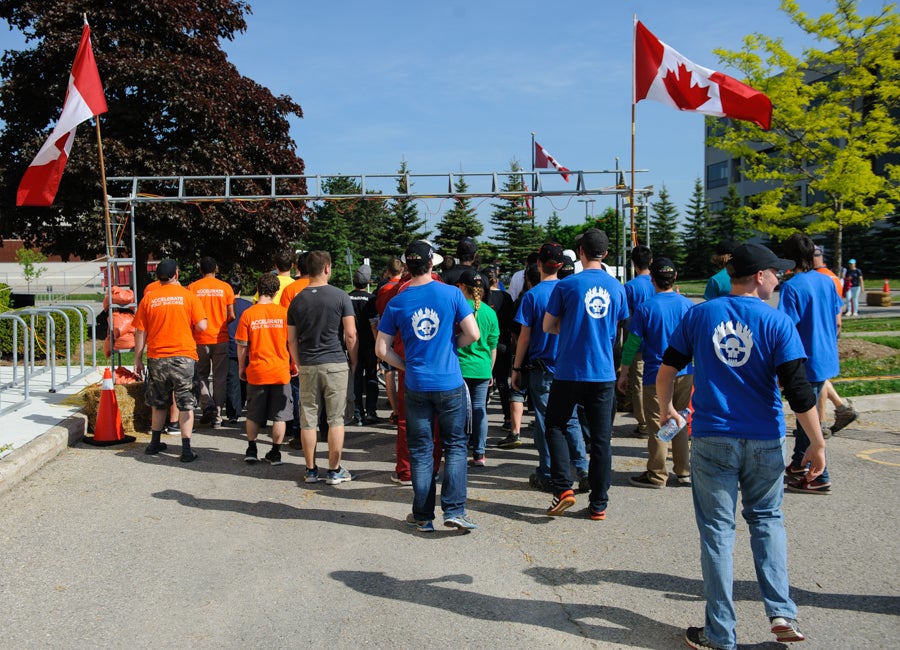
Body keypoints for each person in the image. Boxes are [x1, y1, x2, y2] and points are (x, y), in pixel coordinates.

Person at [656, 242, 826, 649]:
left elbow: (666, 369)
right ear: (759, 277)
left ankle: (720, 633)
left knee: (717, 532)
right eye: (775, 272)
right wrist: (817, 444)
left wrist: (667, 410)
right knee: (767, 521)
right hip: (765, 438)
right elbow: (799, 393)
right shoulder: (777, 322)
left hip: (713, 436)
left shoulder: (699, 314)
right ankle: (782, 612)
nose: (780, 278)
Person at [376, 240, 481, 532]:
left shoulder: (398, 300)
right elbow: (473, 333)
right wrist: (450, 346)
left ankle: (423, 516)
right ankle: (455, 510)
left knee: (421, 450)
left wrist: (406, 365)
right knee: (456, 446)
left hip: (416, 383)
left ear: (406, 267)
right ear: (431, 263)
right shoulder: (450, 294)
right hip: (449, 381)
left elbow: (381, 349)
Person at [542, 229, 628, 520]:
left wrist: (567, 329)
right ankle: (599, 503)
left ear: (580, 252)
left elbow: (547, 325)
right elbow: (619, 327)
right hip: (603, 371)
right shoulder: (617, 288)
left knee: (555, 424)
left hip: (569, 369)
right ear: (605, 254)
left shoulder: (567, 285)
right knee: (602, 440)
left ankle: (563, 487)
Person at [512, 243, 590, 493]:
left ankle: (548, 470)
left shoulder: (533, 295)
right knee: (572, 420)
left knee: (546, 422)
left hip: (542, 367)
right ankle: (583, 468)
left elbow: (524, 337)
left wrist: (516, 368)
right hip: (569, 366)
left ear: (538, 264)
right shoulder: (572, 290)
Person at [617, 257, 693, 488]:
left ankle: (657, 473)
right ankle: (683, 471)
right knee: (679, 420)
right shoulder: (688, 305)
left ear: (652, 280)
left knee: (658, 423)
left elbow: (633, 342)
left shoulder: (646, 308)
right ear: (675, 277)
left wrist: (624, 371)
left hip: (656, 373)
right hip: (686, 371)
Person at [286, 251, 358, 485]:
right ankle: (334, 470)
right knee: (335, 419)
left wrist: (298, 362)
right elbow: (350, 334)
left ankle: (310, 469)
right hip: (335, 362)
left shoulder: (297, 300)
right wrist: (353, 360)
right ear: (327, 268)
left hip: (307, 363)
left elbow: (291, 340)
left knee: (309, 419)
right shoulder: (340, 296)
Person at [779, 234, 843, 494]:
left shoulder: (792, 287)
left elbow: (785, 328)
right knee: (810, 411)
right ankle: (797, 463)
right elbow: (837, 316)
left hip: (806, 357)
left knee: (808, 416)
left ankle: (819, 475)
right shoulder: (827, 281)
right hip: (827, 353)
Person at [132, 259, 208, 462]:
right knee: (186, 404)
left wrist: (138, 358)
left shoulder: (149, 298)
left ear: (158, 276)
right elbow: (202, 326)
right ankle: (186, 449)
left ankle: (154, 443)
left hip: (157, 357)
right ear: (177, 273)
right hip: (184, 357)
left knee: (158, 402)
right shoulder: (188, 296)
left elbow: (140, 330)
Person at [236, 273, 293, 466]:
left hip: (257, 371)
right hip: (280, 370)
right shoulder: (284, 313)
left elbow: (242, 346)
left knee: (253, 413)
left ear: (258, 289)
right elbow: (292, 344)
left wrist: (241, 367)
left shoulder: (248, 314)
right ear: (276, 291)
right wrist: (294, 365)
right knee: (280, 415)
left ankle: (252, 448)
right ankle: (275, 452)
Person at [812, 246, 858, 435]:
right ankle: (841, 408)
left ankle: (821, 422)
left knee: (819, 377)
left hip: (819, 333)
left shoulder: (819, 279)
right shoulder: (832, 277)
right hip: (829, 331)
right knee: (822, 376)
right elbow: (837, 313)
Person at [456, 267, 499, 467]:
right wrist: (490, 369)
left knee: (459, 410)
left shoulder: (458, 307)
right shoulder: (490, 312)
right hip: (482, 367)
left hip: (460, 367)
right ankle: (480, 453)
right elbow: (493, 346)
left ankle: (459, 448)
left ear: (462, 287)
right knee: (479, 409)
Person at [189, 256, 236, 428]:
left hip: (200, 337)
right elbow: (232, 315)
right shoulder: (225, 287)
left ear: (201, 270)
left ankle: (206, 404)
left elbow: (190, 315)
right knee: (220, 378)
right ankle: (217, 414)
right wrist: (221, 324)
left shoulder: (193, 288)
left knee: (201, 374)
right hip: (220, 337)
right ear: (216, 269)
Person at [622, 245, 655, 436]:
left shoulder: (630, 287)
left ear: (633, 264)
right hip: (660, 341)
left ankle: (644, 423)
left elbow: (625, 318)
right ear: (651, 261)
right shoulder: (659, 282)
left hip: (638, 343)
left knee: (639, 384)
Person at [484, 265, 515, 432]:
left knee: (484, 383)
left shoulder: (481, 299)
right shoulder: (506, 297)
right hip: (503, 343)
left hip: (486, 345)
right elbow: (511, 322)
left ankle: (480, 416)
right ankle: (508, 418)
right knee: (503, 383)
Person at [348, 264, 380, 425]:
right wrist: (378, 344)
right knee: (372, 377)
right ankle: (371, 411)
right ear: (368, 281)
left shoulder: (347, 297)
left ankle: (357, 412)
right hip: (369, 345)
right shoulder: (371, 299)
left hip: (353, 344)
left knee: (356, 378)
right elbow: (374, 324)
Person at [375, 257, 404, 424]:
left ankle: (395, 410)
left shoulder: (383, 288)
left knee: (389, 372)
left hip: (387, 332)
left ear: (388, 270)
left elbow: (379, 311)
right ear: (402, 270)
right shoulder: (404, 287)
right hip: (403, 333)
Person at [225, 275, 252, 424]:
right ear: (240, 289)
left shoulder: (225, 306)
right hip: (246, 347)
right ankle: (245, 405)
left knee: (232, 380)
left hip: (229, 345)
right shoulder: (248, 306)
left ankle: (233, 412)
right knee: (245, 380)